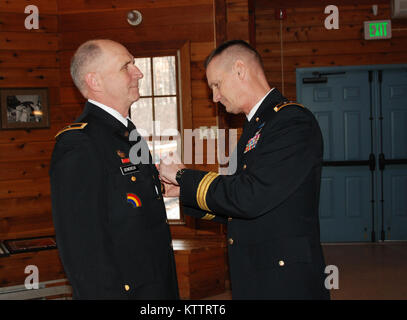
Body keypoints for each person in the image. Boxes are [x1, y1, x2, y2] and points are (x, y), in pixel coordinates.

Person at [159, 40, 330, 300]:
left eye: (216, 84)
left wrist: (183, 176)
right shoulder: (256, 127)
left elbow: (250, 197)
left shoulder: (291, 122)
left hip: (285, 278)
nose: (215, 96)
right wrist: (183, 191)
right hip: (256, 268)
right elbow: (236, 204)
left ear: (240, 70)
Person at [49, 39, 179, 299]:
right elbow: (82, 248)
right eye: (126, 66)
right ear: (95, 82)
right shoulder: (80, 143)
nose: (138, 72)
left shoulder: (125, 133)